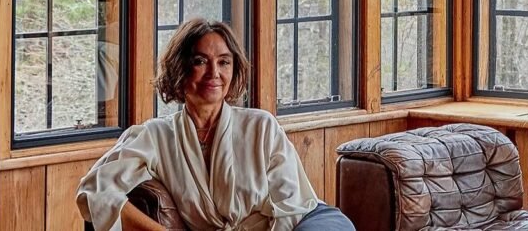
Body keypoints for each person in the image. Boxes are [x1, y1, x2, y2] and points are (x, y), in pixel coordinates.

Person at [77, 18, 355, 231]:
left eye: (224, 62)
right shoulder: (155, 136)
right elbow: (93, 191)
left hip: (307, 222)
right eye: (200, 61)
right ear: (180, 68)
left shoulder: (261, 127)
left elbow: (291, 210)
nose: (214, 73)